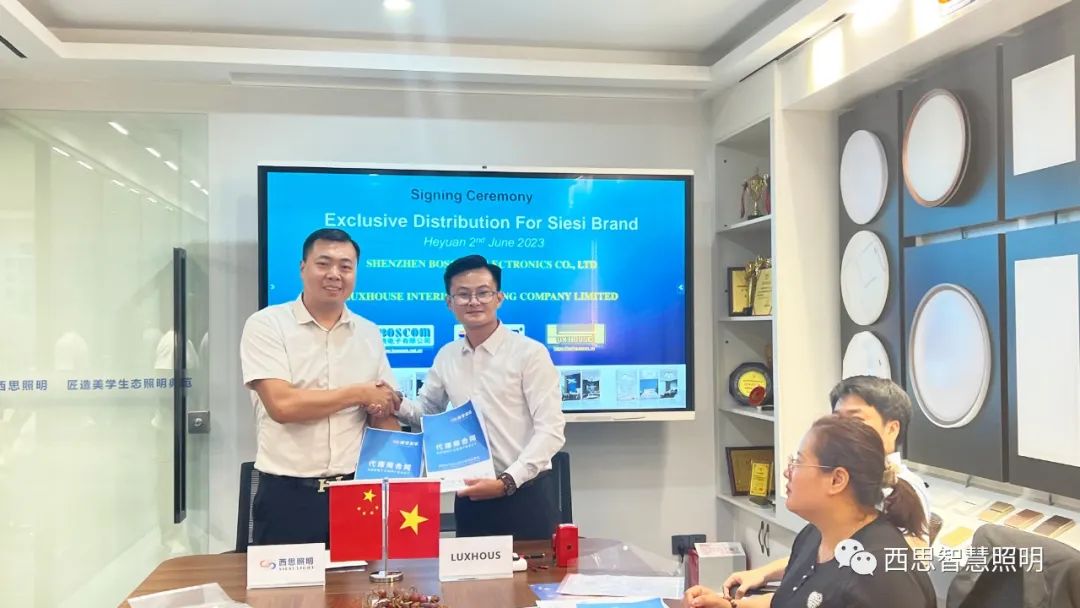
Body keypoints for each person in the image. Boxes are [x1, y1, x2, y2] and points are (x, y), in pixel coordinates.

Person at [240, 228, 402, 546]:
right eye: (323, 263)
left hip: (358, 494)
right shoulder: (267, 324)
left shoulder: (369, 333)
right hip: (288, 497)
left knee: (361, 580)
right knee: (288, 581)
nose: (334, 274)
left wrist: (382, 406)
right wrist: (358, 393)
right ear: (303, 268)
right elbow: (282, 406)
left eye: (345, 266)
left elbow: (385, 417)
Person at [392, 254, 566, 540]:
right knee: (470, 570)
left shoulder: (530, 354)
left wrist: (508, 481)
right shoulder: (447, 356)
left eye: (483, 293)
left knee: (532, 570)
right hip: (471, 495)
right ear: (449, 303)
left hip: (525, 494)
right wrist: (396, 403)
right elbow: (428, 412)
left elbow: (551, 430)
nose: (473, 302)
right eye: (463, 295)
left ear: (499, 298)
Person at [684, 416, 934, 608]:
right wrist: (730, 606)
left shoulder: (881, 575)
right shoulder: (812, 536)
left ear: (837, 480)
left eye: (798, 462)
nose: (787, 472)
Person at [830, 375, 931, 534]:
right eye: (837, 420)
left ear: (892, 429)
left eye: (855, 420)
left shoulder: (905, 492)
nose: (841, 429)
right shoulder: (838, 473)